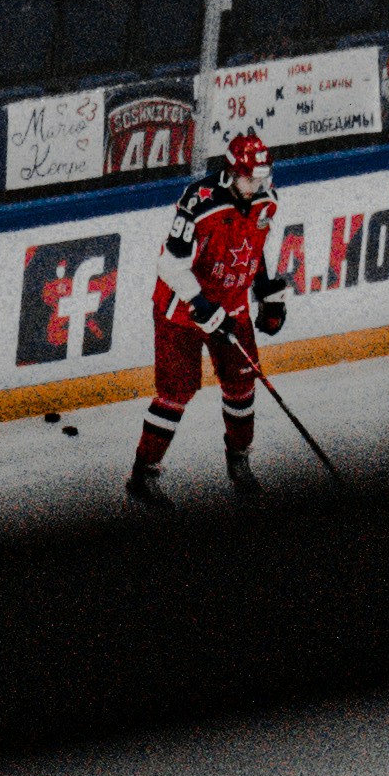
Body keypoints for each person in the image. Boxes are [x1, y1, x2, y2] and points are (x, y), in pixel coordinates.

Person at [125, 124, 282, 518]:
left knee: (242, 384)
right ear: (231, 172)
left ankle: (239, 459)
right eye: (252, 177)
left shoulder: (266, 201)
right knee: (176, 392)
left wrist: (268, 293)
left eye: (264, 177)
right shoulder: (199, 201)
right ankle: (143, 474)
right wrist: (201, 302)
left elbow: (256, 248)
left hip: (231, 304)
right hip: (180, 309)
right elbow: (169, 263)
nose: (259, 184)